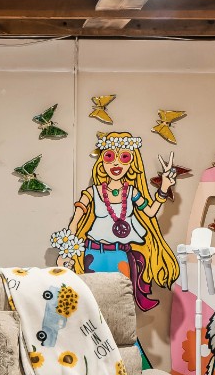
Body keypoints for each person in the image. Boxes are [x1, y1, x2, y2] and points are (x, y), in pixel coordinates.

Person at [63, 131, 180, 312]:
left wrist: (164, 188)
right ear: (102, 161)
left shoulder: (132, 192)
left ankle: (128, 340)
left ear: (131, 163)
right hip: (93, 255)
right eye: (110, 156)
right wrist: (67, 253)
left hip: (120, 255)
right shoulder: (92, 193)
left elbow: (150, 212)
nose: (116, 163)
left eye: (124, 157)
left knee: (121, 306)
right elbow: (74, 224)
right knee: (93, 307)